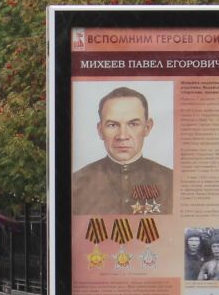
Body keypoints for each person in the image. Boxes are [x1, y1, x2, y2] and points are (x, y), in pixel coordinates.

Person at [69, 87, 173, 215]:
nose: (122, 136)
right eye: (112, 125)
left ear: (147, 127)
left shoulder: (171, 181)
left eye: (133, 124)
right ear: (100, 130)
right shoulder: (76, 183)